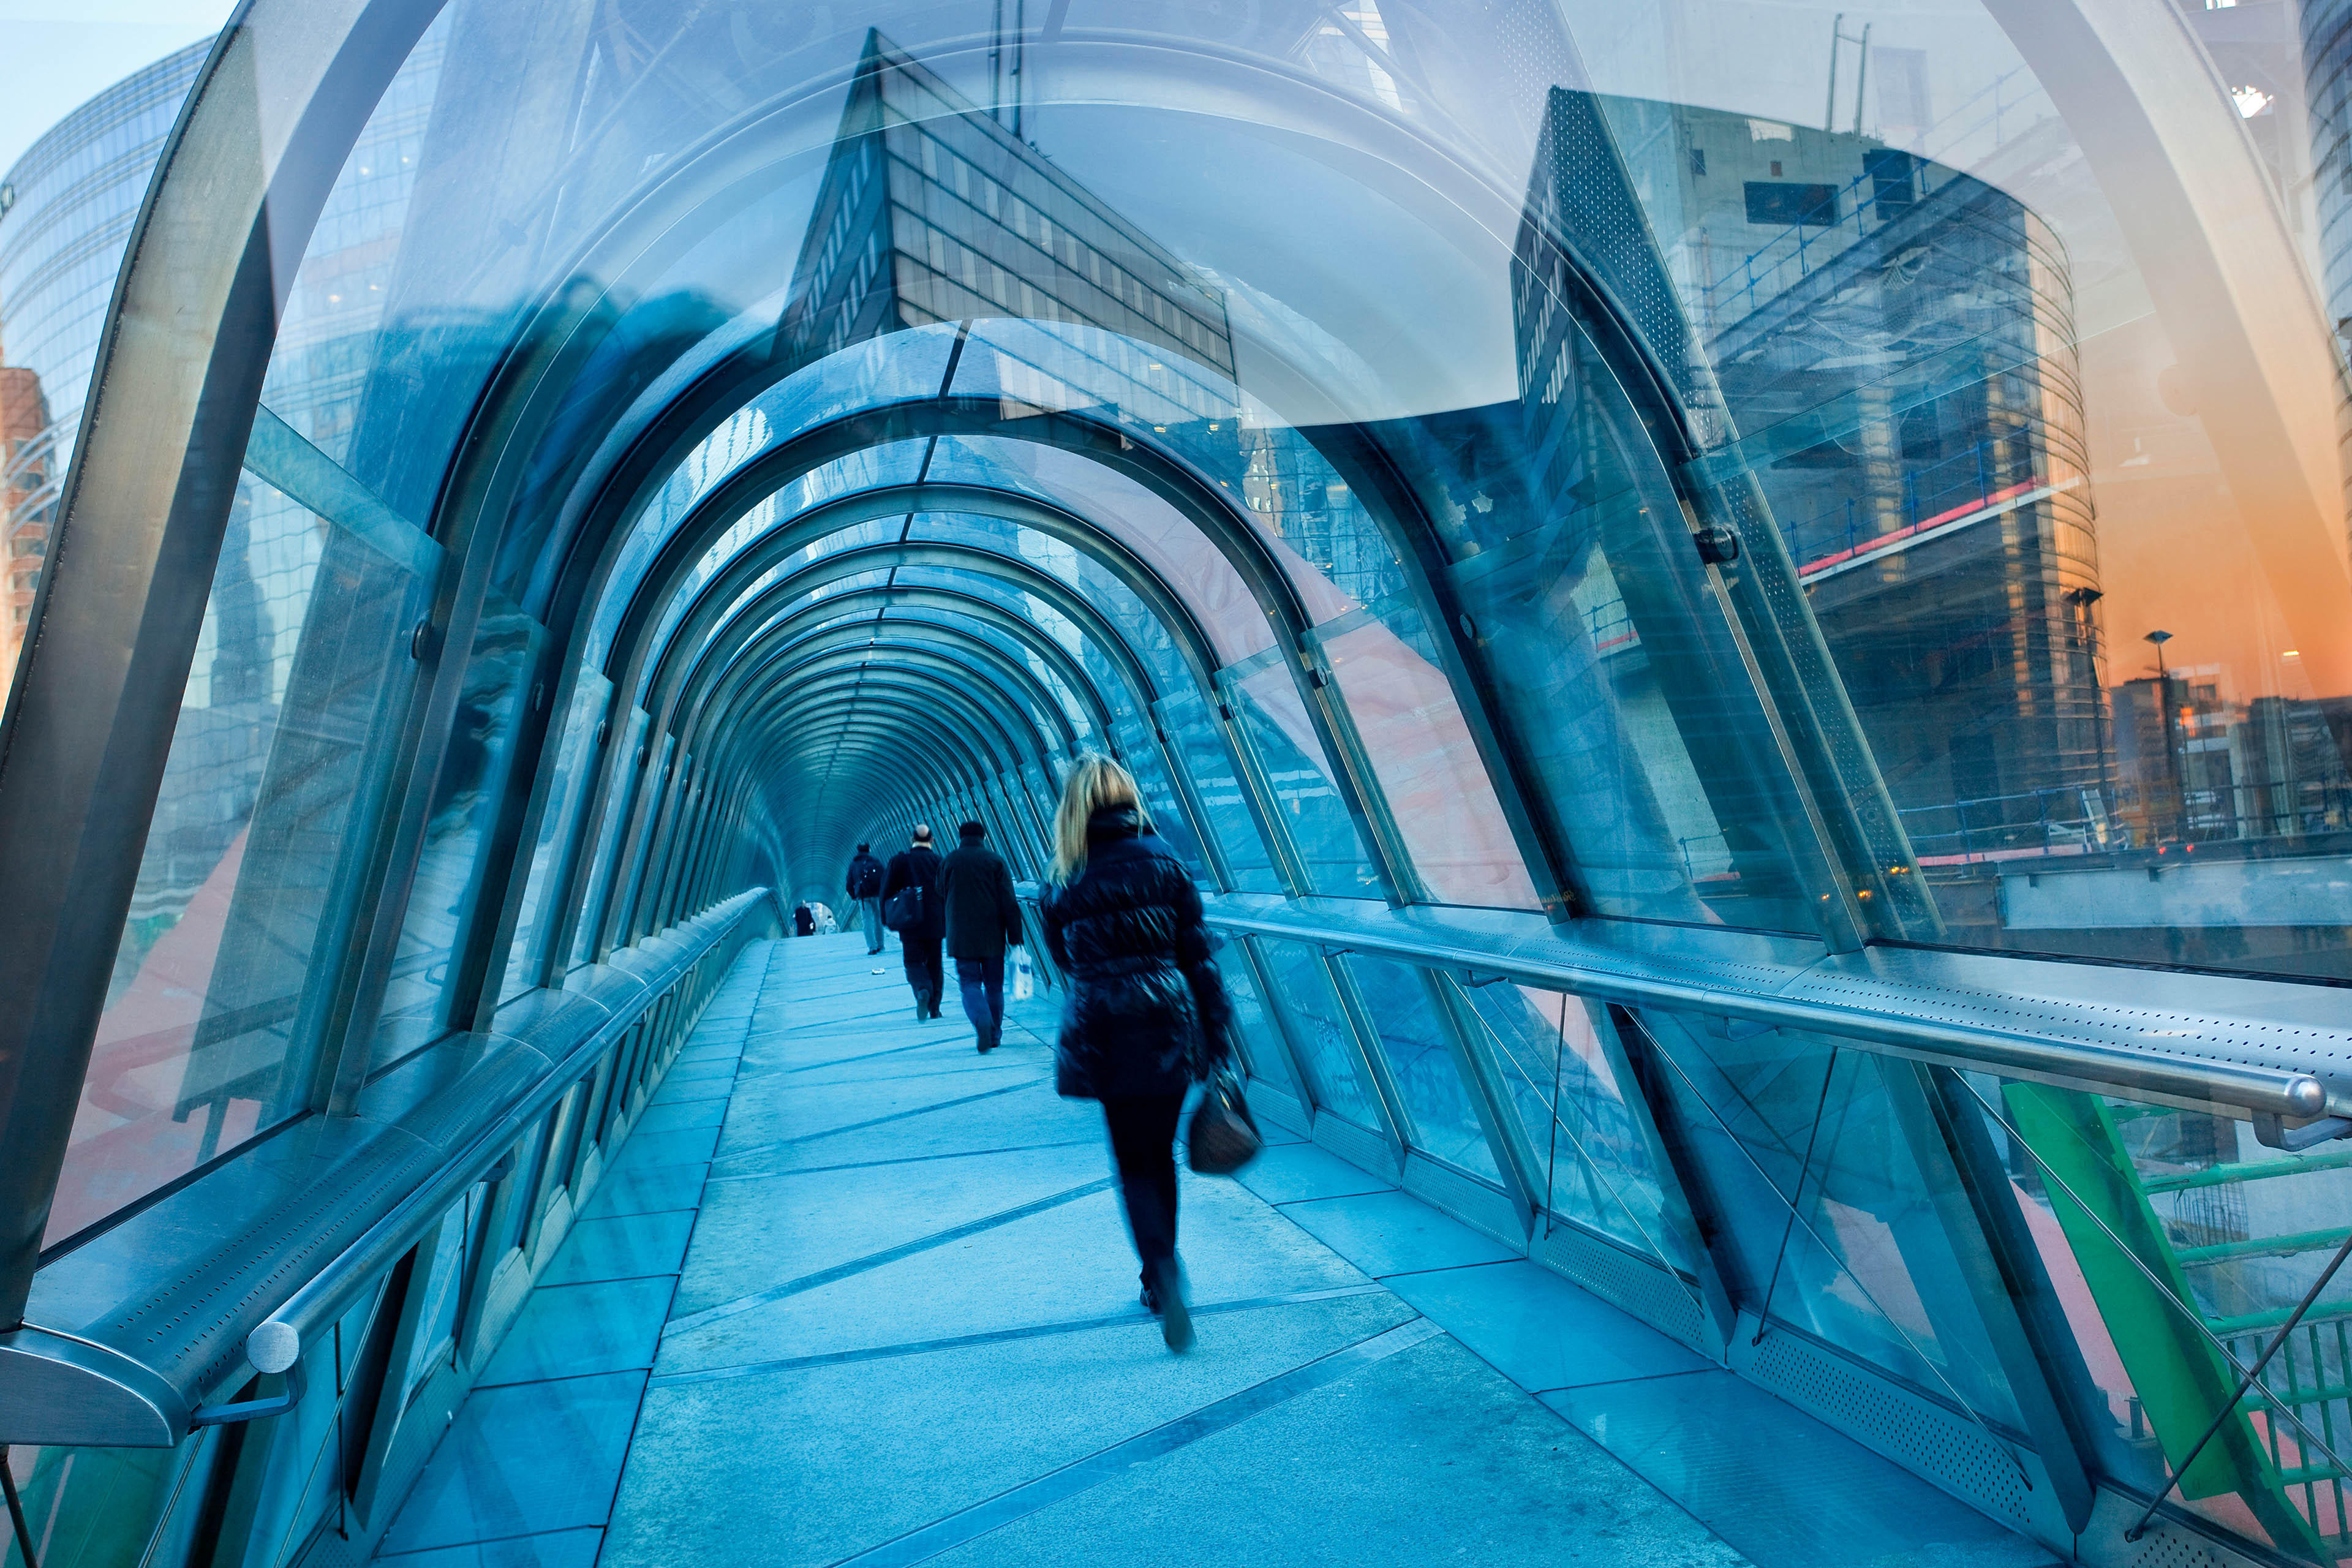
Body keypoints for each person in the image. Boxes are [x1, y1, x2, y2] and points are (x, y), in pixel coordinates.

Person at [1042, 756, 1231, 1353]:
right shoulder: (1167, 861)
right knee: (1160, 1156)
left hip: (1105, 1030)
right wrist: (1218, 1043)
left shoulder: (1065, 877)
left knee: (1132, 1163)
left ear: (1072, 809)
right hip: (1168, 1023)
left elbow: (1066, 962)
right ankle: (1166, 1276)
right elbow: (1199, 959)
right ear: (1128, 799)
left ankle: (1159, 1273)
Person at [941, 820, 1023, 1054]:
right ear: (984, 836)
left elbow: (940, 893)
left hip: (961, 937)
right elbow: (1009, 902)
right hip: (992, 937)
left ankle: (981, 1020)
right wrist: (1016, 938)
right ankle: (995, 1033)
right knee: (994, 987)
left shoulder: (949, 862)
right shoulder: (995, 861)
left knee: (969, 985)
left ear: (960, 837)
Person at [881, 825, 946, 1020]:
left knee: (913, 962)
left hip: (909, 922)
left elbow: (886, 892)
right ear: (933, 840)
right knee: (935, 963)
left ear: (911, 839)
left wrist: (886, 919)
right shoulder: (939, 861)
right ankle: (935, 1008)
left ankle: (922, 989)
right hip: (936, 923)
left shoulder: (899, 862)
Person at [846, 843, 887, 955]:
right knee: (878, 920)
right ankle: (880, 945)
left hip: (863, 897)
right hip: (877, 894)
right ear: (869, 850)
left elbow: (849, 882)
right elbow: (884, 876)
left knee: (867, 921)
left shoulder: (854, 864)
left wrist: (854, 895)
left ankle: (872, 947)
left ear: (858, 851)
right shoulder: (876, 862)